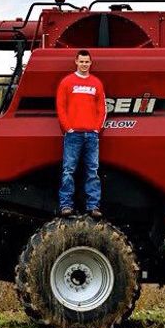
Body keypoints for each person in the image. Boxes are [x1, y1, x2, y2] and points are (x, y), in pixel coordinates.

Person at [56, 49, 106, 218]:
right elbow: (60, 107)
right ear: (76, 62)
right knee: (68, 170)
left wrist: (96, 128)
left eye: (87, 62)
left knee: (92, 171)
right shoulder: (67, 82)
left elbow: (102, 109)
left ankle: (93, 206)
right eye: (81, 61)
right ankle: (66, 206)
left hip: (91, 135)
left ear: (91, 63)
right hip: (73, 134)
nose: (84, 64)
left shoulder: (96, 83)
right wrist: (68, 128)